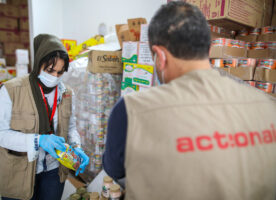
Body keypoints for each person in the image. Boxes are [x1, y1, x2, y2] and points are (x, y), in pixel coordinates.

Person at [103, 2, 276, 200]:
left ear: (160, 56)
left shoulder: (130, 111)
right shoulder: (266, 106)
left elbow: (115, 170)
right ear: (208, 49)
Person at [0, 34, 89, 200]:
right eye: (50, 70)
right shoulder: (11, 91)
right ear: (38, 63)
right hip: (20, 170)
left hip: (53, 171)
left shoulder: (65, 92)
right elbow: (1, 135)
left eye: (60, 72)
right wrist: (38, 141)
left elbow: (71, 126)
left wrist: (77, 147)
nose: (54, 77)